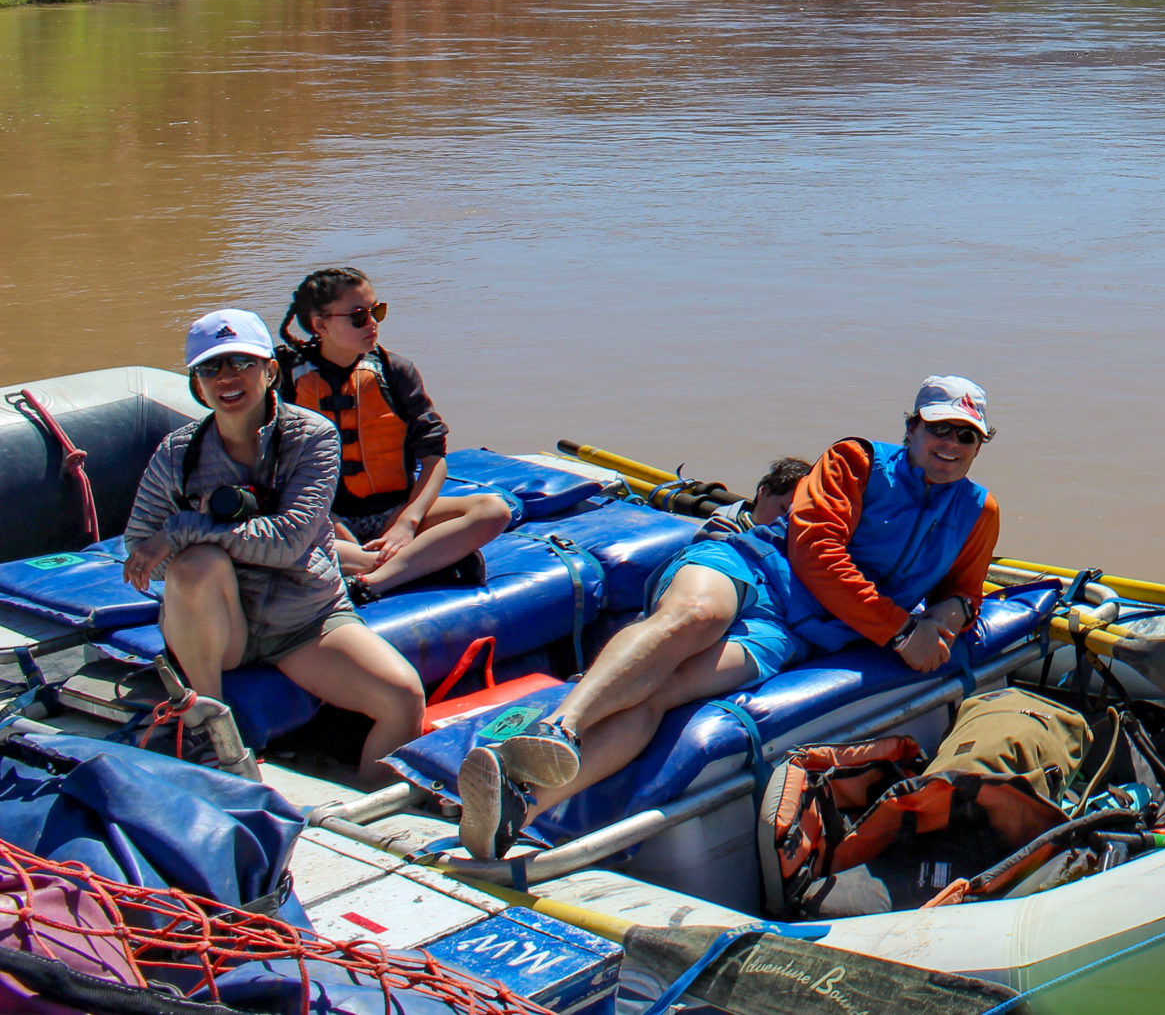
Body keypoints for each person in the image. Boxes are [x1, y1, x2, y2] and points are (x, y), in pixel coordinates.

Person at [458, 378, 1003, 860]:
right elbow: (816, 553)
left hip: (793, 633)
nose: (950, 445)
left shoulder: (979, 510)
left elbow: (963, 590)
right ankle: (558, 729)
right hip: (754, 568)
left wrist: (946, 620)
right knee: (694, 617)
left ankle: (520, 808)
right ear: (911, 428)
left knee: (664, 692)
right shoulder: (854, 462)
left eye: (966, 436)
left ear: (979, 445)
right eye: (940, 429)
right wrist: (903, 631)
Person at [122, 309, 428, 784]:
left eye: (241, 363)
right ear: (196, 384)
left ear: (269, 370)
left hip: (304, 618)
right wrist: (195, 546)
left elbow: (289, 542)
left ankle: (370, 808)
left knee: (404, 697)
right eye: (210, 368)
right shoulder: (177, 453)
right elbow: (141, 549)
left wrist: (183, 529)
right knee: (197, 565)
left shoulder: (313, 438)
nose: (227, 378)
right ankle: (209, 717)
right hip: (221, 627)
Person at [275, 268, 511, 599]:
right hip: (322, 521)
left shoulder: (394, 371)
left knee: (493, 511)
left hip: (392, 513)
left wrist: (406, 522)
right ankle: (407, 563)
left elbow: (434, 457)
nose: (372, 323)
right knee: (268, 534)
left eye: (377, 311)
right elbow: (273, 465)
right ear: (320, 324)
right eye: (358, 316)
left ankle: (372, 580)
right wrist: (328, 520)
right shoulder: (282, 377)